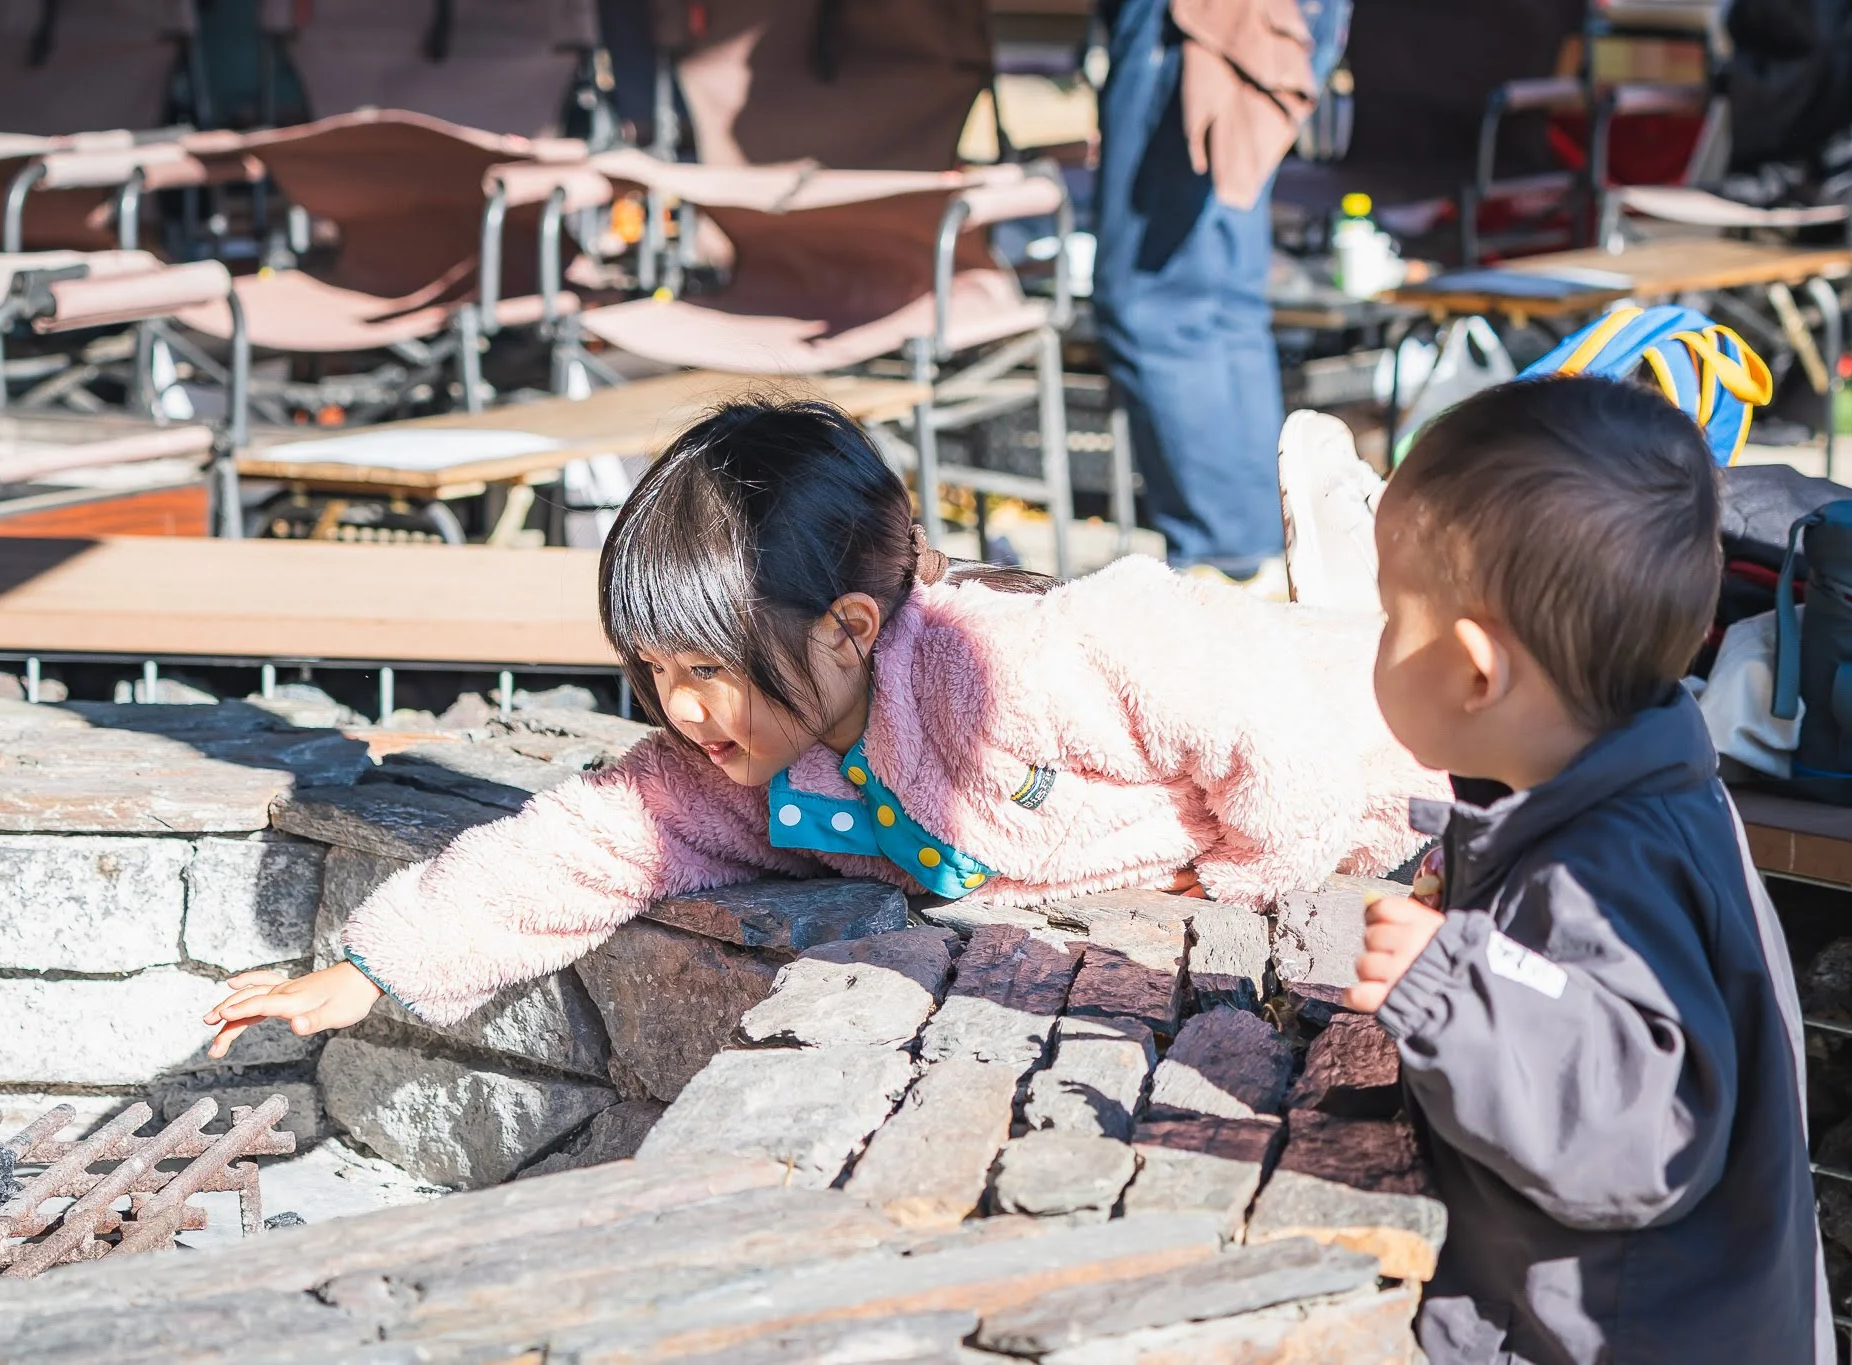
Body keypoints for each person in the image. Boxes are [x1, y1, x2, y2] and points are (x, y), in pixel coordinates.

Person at [204, 397, 1438, 1050]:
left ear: (850, 625)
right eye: (650, 671)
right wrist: (380, 967)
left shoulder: (1020, 663)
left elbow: (1276, 741)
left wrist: (1229, 892)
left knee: (1344, 659)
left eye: (709, 668)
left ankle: (1354, 581)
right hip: (1228, 755)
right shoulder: (758, 757)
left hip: (1383, 725)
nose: (680, 710)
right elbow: (592, 839)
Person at [1340, 376, 1828, 1364]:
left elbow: (1642, 1130)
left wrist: (1453, 986)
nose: (1380, 640)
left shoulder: (1608, 870)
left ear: (1478, 673)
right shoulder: (1636, 788)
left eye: (1394, 616)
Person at [1093, 0, 1349, 583]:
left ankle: (1229, 568)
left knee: (1157, 300)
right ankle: (1262, 557)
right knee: (1217, 300)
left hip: (1201, 20)